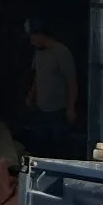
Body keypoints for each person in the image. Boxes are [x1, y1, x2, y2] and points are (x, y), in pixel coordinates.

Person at [22, 18, 81, 159]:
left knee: (59, 146)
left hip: (58, 110)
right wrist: (31, 95)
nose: (31, 42)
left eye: (32, 38)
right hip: (41, 108)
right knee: (38, 146)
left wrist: (70, 108)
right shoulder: (39, 53)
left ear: (39, 35)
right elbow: (37, 76)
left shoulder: (62, 52)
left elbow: (71, 81)